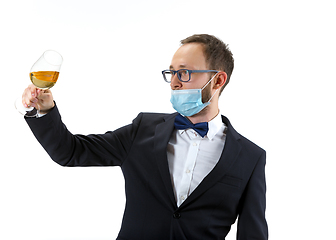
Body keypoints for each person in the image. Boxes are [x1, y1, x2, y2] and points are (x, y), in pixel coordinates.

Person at [22, 34, 268, 240]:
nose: (173, 83)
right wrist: (45, 110)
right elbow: (70, 152)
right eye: (170, 73)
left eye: (184, 73)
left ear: (218, 80)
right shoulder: (143, 129)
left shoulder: (250, 157)